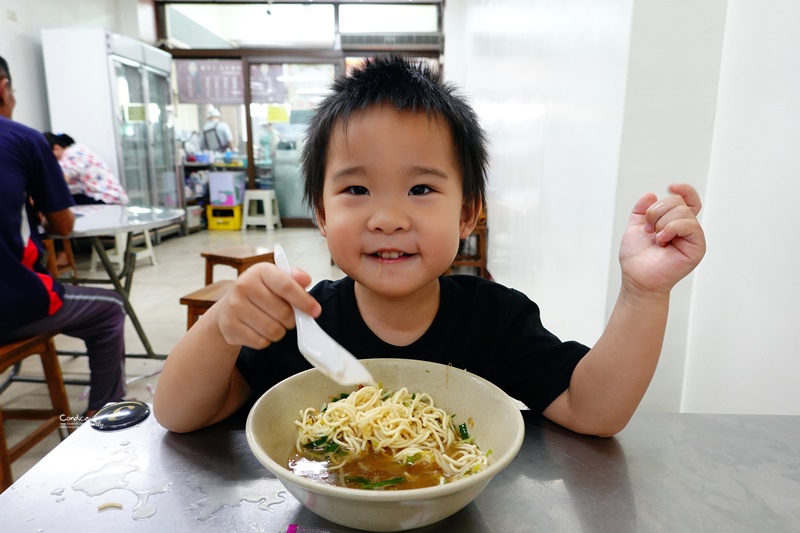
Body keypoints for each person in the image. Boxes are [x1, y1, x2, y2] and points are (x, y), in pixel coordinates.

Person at [154, 56, 706, 436]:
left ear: (467, 212)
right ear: (321, 215)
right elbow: (179, 415)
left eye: (421, 189)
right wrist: (224, 323)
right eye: (356, 189)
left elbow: (594, 412)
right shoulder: (304, 323)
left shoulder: (496, 320)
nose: (389, 218)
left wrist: (642, 294)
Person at [0, 56, 126, 417]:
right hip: (9, 306)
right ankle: (102, 420)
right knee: (111, 307)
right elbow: (63, 225)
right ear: (4, 88)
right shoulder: (23, 139)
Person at [43, 132, 128, 206]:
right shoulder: (77, 149)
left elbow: (60, 182)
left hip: (105, 198)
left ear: (57, 148)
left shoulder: (71, 155)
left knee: (58, 201)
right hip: (111, 196)